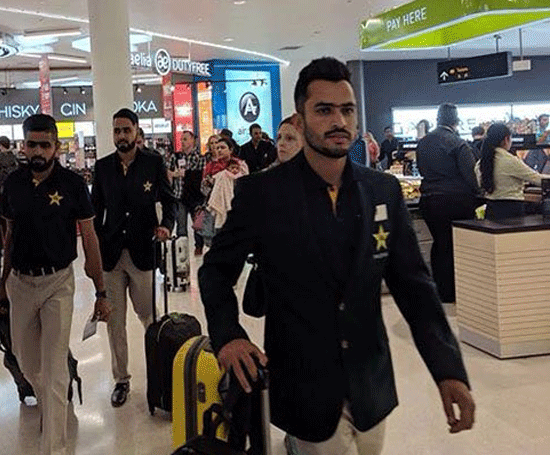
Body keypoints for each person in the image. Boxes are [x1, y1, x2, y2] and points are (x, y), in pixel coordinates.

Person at [199, 57, 474, 455]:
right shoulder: (263, 195)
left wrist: (448, 370)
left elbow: (415, 287)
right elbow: (215, 271)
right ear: (300, 120)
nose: (339, 121)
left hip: (371, 385)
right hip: (304, 384)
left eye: (347, 110)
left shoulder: (382, 191)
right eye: (324, 110)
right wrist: (228, 336)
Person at [0, 114, 110, 455]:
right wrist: (0, 286)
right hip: (20, 283)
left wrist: (101, 291)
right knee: (26, 362)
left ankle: (55, 447)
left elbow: (89, 237)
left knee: (55, 368)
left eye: (44, 145)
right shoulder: (13, 184)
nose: (38, 151)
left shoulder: (73, 184)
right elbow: (8, 238)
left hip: (58, 283)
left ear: (56, 147)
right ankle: (52, 403)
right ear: (23, 146)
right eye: (32, 144)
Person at [90, 107, 176, 408]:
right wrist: (95, 247)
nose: (121, 135)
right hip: (111, 256)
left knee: (149, 317)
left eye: (126, 130)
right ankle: (121, 380)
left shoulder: (153, 162)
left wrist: (166, 226)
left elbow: (169, 200)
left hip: (143, 251)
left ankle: (161, 377)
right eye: (117, 130)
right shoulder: (102, 168)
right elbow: (94, 211)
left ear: (137, 131)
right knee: (114, 322)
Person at [416, 103, 479, 306]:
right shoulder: (458, 143)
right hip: (455, 200)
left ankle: (440, 290)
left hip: (429, 200)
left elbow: (421, 169)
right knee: (455, 246)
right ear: (456, 121)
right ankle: (454, 291)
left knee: (440, 243)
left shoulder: (423, 143)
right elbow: (471, 177)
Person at [475, 123, 550, 221]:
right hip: (511, 210)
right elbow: (538, 179)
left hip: (490, 208)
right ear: (506, 139)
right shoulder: (510, 160)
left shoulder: (481, 162)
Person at [167, 130, 206, 255]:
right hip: (179, 195)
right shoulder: (175, 157)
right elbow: (167, 172)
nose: (182, 142)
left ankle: (199, 247)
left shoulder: (200, 158)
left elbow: (201, 176)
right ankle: (182, 251)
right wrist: (174, 174)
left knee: (197, 225)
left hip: (195, 197)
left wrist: (187, 174)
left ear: (192, 141)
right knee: (181, 226)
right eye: (181, 139)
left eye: (185, 139)